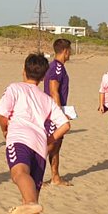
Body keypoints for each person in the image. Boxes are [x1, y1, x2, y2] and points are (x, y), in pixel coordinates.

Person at [0, 52, 70, 214]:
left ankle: (29, 205)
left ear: (23, 70)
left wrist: (5, 131)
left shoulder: (14, 88)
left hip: (19, 139)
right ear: (43, 75)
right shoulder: (46, 99)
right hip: (39, 148)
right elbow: (65, 125)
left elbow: (2, 113)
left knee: (19, 174)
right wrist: (50, 139)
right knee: (33, 202)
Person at [43, 37, 73, 186]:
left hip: (57, 111)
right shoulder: (56, 68)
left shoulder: (58, 66)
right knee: (49, 146)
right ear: (66, 51)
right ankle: (35, 176)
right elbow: (54, 91)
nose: (70, 54)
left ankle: (55, 177)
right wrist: (60, 113)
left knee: (56, 146)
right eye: (70, 51)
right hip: (53, 114)